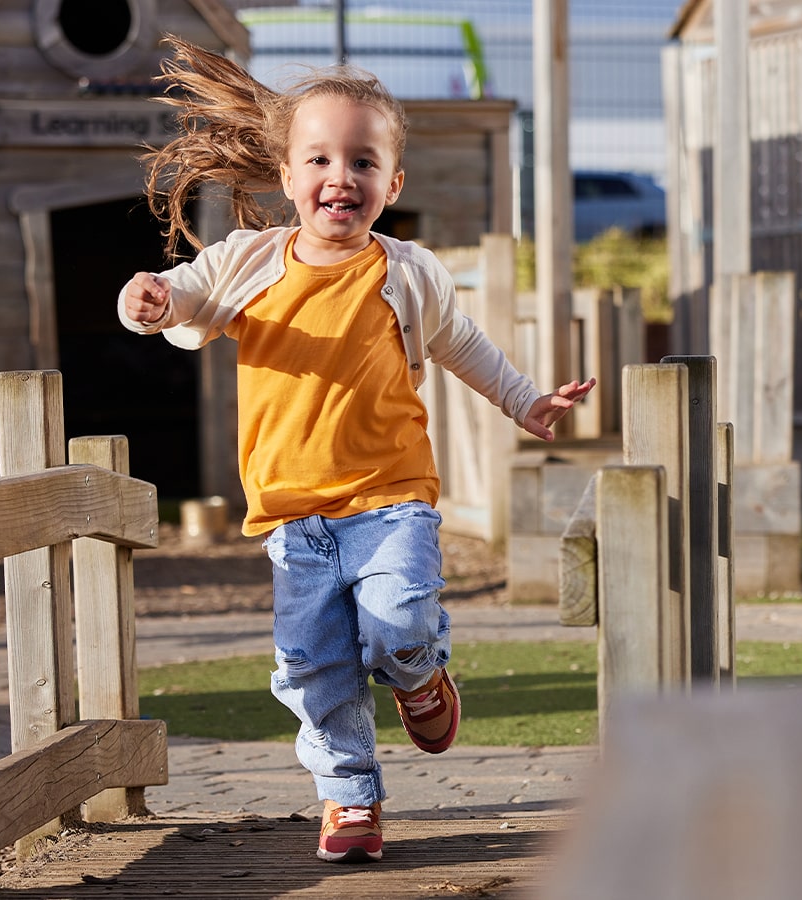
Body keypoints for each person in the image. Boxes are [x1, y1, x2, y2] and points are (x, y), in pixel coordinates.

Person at [118, 38, 595, 863]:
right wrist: (148, 302)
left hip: (390, 498)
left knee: (399, 621)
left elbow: (463, 344)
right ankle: (349, 798)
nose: (342, 175)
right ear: (288, 175)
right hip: (293, 518)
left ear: (391, 184)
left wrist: (526, 400)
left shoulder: (407, 274)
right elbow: (180, 299)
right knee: (314, 667)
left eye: (364, 161)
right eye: (321, 158)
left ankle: (420, 676)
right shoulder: (248, 265)